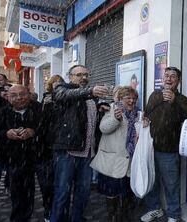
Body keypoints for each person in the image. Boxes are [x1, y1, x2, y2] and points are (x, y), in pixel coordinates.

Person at [49, 65, 108, 222]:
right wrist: (90, 91)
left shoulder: (91, 97)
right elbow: (64, 95)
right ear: (70, 76)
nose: (83, 77)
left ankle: (76, 218)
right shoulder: (62, 89)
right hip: (68, 152)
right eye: (79, 74)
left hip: (88, 152)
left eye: (86, 74)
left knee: (83, 192)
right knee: (62, 192)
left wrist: (102, 109)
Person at [141, 66, 187, 222]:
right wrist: (144, 119)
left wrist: (174, 102)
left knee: (171, 185)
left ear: (178, 81)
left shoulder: (183, 100)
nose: (168, 78)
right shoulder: (154, 95)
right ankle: (155, 209)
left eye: (173, 76)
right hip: (150, 148)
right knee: (152, 182)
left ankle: (174, 214)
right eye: (166, 75)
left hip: (170, 150)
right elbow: (146, 113)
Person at [90, 86, 140, 221]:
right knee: (111, 192)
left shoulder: (138, 114)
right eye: (128, 98)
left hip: (129, 161)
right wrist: (115, 119)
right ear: (120, 98)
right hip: (112, 161)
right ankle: (112, 216)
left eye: (134, 98)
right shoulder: (111, 109)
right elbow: (103, 128)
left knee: (125, 193)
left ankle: (123, 215)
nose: (131, 101)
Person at [0, 85, 42, 221]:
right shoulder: (1, 113)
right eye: (14, 95)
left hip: (38, 156)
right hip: (13, 158)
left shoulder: (39, 109)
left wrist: (33, 131)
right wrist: (6, 133)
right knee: (17, 191)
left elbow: (47, 127)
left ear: (29, 94)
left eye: (22, 94)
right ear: (8, 98)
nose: (19, 98)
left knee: (40, 189)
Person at [38, 75, 65, 221]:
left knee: (61, 183)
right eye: (54, 84)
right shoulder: (46, 99)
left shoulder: (67, 98)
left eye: (60, 83)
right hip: (47, 147)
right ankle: (49, 211)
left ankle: (60, 212)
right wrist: (46, 106)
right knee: (48, 184)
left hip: (62, 145)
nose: (58, 86)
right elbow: (43, 123)